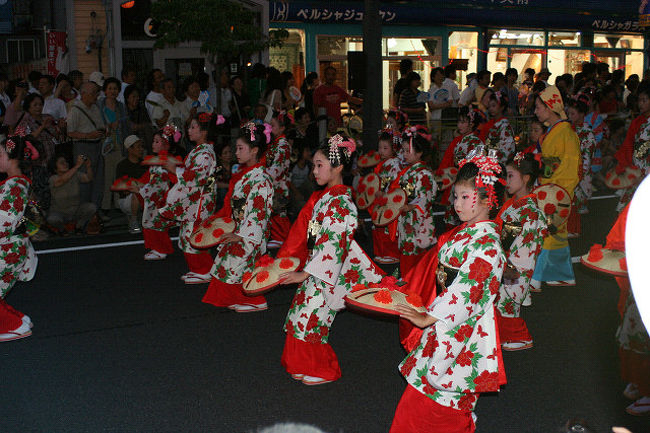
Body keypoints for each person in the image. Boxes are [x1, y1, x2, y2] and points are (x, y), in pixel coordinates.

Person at [391, 150, 507, 433]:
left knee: (443, 401)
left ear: (487, 200)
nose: (456, 203)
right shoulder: (466, 233)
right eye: (455, 196)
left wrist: (428, 317)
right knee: (424, 397)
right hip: (444, 321)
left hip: (463, 332)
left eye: (464, 197)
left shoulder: (488, 245)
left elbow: (466, 292)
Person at [277, 134, 383, 385]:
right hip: (316, 268)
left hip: (326, 274)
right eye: (314, 164)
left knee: (312, 320)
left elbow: (333, 248)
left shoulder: (341, 203)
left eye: (320, 165)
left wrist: (305, 273)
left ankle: (324, 369)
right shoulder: (327, 198)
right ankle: (303, 364)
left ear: (338, 167)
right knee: (299, 316)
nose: (314, 170)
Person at [201, 122, 274, 312]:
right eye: (237, 148)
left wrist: (243, 235)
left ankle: (257, 300)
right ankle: (241, 298)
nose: (237, 152)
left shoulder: (260, 179)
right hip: (240, 226)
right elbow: (231, 205)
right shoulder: (247, 175)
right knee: (230, 264)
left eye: (241, 148)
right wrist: (220, 221)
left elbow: (258, 213)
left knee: (238, 263)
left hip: (250, 232)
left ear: (254, 150)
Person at [495, 152, 546, 351]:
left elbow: (521, 247)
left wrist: (502, 259)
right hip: (509, 260)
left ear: (525, 178)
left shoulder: (528, 210)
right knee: (502, 304)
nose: (506, 181)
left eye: (510, 176)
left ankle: (520, 337)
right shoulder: (517, 205)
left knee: (507, 306)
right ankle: (508, 335)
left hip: (515, 265)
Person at [159, 112, 219, 284]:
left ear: (204, 132)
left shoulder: (205, 153)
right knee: (190, 235)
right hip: (196, 199)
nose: (189, 130)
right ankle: (200, 269)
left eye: (194, 127)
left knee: (192, 236)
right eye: (189, 127)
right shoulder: (201, 151)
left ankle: (204, 270)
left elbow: (198, 177)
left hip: (199, 200)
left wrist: (174, 170)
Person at [530, 85, 580, 288]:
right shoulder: (560, 131)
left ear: (550, 107)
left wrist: (547, 187)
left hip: (555, 192)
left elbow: (564, 169)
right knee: (554, 235)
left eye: (538, 107)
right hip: (555, 190)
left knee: (548, 233)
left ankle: (536, 277)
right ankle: (561, 275)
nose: (535, 112)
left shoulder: (563, 133)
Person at [0, 135, 39, 342]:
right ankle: (18, 319)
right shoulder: (21, 185)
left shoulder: (14, 187)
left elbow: (3, 222)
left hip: (5, 249)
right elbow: (32, 223)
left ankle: (14, 325)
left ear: (12, 159)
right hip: (14, 248)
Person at [392, 128, 437, 276]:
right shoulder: (408, 172)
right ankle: (407, 282)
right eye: (403, 150)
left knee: (416, 254)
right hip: (407, 215)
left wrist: (411, 206)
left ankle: (413, 285)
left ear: (419, 153)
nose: (404, 154)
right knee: (407, 251)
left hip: (416, 217)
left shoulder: (424, 173)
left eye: (407, 151)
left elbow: (426, 197)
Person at [137, 127, 180, 260]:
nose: (153, 144)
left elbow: (178, 178)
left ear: (166, 144)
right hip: (154, 197)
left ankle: (161, 249)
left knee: (158, 223)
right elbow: (146, 178)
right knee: (151, 221)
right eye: (153, 141)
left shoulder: (170, 160)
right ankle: (156, 248)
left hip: (163, 198)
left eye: (157, 141)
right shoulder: (155, 161)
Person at [18, 93, 63, 211]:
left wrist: (61, 128)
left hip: (52, 158)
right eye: (35, 105)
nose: (38, 107)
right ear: (28, 107)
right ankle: (40, 215)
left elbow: (56, 137)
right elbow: (26, 139)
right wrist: (42, 127)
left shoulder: (48, 117)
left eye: (40, 104)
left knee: (54, 188)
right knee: (40, 190)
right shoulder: (24, 120)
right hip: (37, 163)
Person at [66, 82, 106, 210]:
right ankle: (84, 213)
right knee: (84, 180)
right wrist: (88, 135)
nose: (96, 96)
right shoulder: (75, 110)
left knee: (98, 180)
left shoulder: (95, 107)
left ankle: (96, 212)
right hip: (83, 147)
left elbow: (100, 125)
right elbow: (70, 132)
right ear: (83, 94)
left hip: (97, 146)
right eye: (94, 93)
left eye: (97, 92)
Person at [612, 82, 650, 212]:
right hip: (636, 169)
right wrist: (624, 166)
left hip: (647, 171)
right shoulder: (637, 122)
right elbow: (628, 146)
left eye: (644, 100)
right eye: (639, 100)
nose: (640, 104)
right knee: (625, 209)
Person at [370, 130, 403, 264]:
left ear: (393, 149)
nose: (381, 151)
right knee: (379, 225)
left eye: (385, 148)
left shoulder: (395, 164)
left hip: (389, 200)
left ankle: (391, 253)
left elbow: (396, 184)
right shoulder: (381, 164)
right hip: (381, 199)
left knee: (388, 226)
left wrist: (386, 194)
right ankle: (381, 252)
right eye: (380, 148)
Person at [98, 77, 129, 213]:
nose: (112, 91)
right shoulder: (99, 105)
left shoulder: (121, 106)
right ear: (105, 90)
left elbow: (126, 124)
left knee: (118, 175)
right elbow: (97, 123)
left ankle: (118, 204)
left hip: (119, 143)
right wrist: (107, 126)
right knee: (106, 176)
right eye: (110, 88)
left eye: (115, 88)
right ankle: (105, 205)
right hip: (105, 145)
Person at [47, 154, 98, 235]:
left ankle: (79, 227)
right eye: (61, 163)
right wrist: (77, 165)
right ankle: (62, 229)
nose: (65, 164)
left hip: (75, 210)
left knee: (91, 207)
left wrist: (88, 166)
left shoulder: (75, 174)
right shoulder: (53, 178)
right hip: (59, 212)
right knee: (52, 219)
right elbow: (61, 181)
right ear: (55, 168)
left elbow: (88, 178)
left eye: (66, 162)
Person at [566, 97, 597, 233]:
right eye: (569, 114)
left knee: (579, 209)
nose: (570, 116)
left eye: (573, 114)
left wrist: (577, 174)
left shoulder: (587, 133)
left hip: (580, 176)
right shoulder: (569, 130)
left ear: (582, 114)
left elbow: (587, 158)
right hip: (569, 173)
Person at [265, 112, 292, 248]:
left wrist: (265, 176)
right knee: (274, 211)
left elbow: (277, 166)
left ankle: (282, 237)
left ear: (282, 128)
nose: (270, 127)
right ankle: (279, 236)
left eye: (273, 125)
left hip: (278, 182)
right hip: (275, 181)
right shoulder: (276, 144)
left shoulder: (282, 145)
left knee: (279, 211)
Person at [115, 135, 147, 234]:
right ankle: (133, 220)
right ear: (130, 149)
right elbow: (123, 189)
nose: (141, 150)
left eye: (142, 147)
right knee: (135, 193)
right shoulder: (122, 166)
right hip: (127, 199)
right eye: (138, 147)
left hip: (144, 196)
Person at [477, 91, 515, 163]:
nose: (491, 109)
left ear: (502, 107)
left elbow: (507, 147)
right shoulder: (489, 124)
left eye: (494, 106)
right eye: (489, 106)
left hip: (497, 160)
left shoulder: (504, 125)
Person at [123, 84, 153, 154]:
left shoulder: (142, 110)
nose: (136, 98)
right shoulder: (123, 111)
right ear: (127, 98)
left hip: (143, 144)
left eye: (137, 96)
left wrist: (140, 126)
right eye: (133, 96)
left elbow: (149, 125)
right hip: (129, 145)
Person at [427, 67, 452, 133]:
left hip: (446, 118)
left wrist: (436, 106)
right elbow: (431, 106)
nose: (440, 77)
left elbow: (450, 103)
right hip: (435, 118)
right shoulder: (431, 90)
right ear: (433, 77)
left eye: (441, 74)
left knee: (446, 137)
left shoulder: (447, 88)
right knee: (435, 137)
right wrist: (444, 104)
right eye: (437, 75)